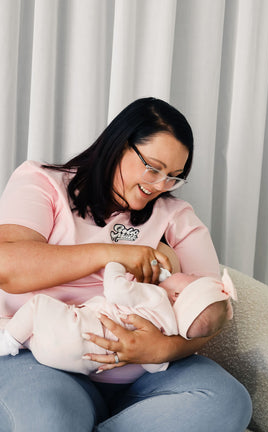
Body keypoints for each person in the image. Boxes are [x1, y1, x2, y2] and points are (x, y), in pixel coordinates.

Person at [0, 97, 252, 431]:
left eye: (174, 176)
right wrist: (112, 253)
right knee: (51, 420)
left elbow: (210, 311)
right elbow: (9, 267)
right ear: (120, 145)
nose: (160, 185)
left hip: (144, 378)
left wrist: (162, 349)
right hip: (43, 359)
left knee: (228, 401)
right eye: (153, 167)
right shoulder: (43, 183)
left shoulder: (176, 218)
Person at [0, 256, 237, 375]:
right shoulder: (169, 331)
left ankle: (7, 342)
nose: (189, 271)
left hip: (73, 331)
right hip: (84, 363)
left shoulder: (156, 296)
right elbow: (155, 366)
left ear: (176, 295)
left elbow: (115, 289)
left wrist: (117, 263)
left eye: (192, 276)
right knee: (41, 335)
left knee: (38, 307)